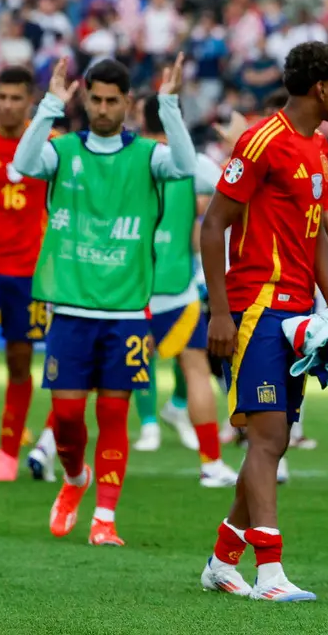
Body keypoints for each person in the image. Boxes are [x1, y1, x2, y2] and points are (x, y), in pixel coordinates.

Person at [198, 41, 328, 601]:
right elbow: (214, 223)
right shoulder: (262, 139)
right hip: (255, 308)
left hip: (296, 314)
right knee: (266, 438)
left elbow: (314, 237)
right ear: (321, 87)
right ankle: (270, 573)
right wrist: (220, 311)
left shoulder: (317, 147)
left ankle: (222, 560)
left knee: (277, 438)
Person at [14, 54, 194, 546]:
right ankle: (75, 479)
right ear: (85, 98)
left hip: (127, 313)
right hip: (70, 310)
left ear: (128, 103)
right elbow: (23, 164)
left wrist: (171, 103)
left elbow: (184, 165)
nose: (103, 108)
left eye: (113, 100)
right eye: (95, 98)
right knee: (69, 417)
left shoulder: (147, 156)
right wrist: (50, 103)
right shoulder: (64, 150)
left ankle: (105, 519)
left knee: (113, 414)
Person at [136, 94, 240, 487]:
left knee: (98, 374)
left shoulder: (130, 155)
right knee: (196, 370)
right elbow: (235, 189)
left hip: (127, 287)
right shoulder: (192, 163)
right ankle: (211, 464)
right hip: (178, 286)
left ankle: (50, 448)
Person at [0, 66, 55, 483]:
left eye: (16, 98)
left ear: (29, 101)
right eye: (2, 97)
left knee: (19, 362)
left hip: (28, 275)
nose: (8, 105)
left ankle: (8, 456)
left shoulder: (47, 146)